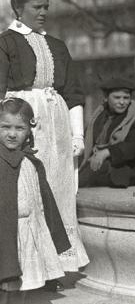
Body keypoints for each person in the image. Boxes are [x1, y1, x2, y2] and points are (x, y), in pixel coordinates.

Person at [0, 0, 89, 286]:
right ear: (19, 8)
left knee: (60, 190)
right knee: (32, 189)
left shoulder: (58, 45)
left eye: (46, 7)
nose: (43, 13)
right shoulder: (6, 43)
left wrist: (77, 134)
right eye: (37, 7)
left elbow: (74, 91)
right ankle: (31, 268)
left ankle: (59, 265)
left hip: (58, 128)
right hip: (25, 124)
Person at [0, 98, 70, 304]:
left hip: (28, 232)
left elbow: (43, 202)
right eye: (5, 127)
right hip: (6, 233)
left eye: (19, 128)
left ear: (29, 130)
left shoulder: (29, 161)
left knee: (24, 283)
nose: (12, 134)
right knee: (6, 285)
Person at [79, 78, 135, 188]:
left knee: (85, 178)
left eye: (126, 98)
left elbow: (132, 148)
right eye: (117, 97)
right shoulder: (98, 116)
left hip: (122, 170)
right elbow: (88, 139)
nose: (122, 102)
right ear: (106, 98)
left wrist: (106, 152)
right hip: (96, 162)